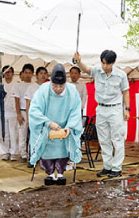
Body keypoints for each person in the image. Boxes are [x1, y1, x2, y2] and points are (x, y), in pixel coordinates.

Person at [73, 50, 130, 178]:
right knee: (103, 139)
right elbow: (86, 69)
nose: (105, 66)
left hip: (115, 109)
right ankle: (107, 166)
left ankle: (116, 168)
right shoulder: (97, 71)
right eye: (103, 63)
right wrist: (79, 61)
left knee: (117, 139)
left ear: (113, 63)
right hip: (101, 109)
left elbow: (126, 92)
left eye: (107, 64)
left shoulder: (121, 75)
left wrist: (127, 109)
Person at [29, 63, 82, 185]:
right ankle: (50, 173)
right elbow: (34, 110)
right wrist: (48, 123)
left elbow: (75, 111)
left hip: (64, 128)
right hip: (48, 128)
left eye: (61, 86)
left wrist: (70, 126)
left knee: (63, 150)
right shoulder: (43, 90)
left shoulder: (72, 91)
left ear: (65, 83)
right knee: (47, 151)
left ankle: (61, 173)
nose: (58, 89)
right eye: (55, 86)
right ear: (50, 82)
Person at [0, 65, 19, 161]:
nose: (7, 74)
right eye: (5, 72)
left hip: (13, 113)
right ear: (3, 74)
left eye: (9, 72)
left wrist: (19, 113)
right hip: (2, 113)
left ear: (12, 73)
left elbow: (18, 100)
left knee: (14, 134)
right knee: (3, 134)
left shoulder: (16, 85)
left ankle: (14, 153)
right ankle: (4, 152)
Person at [24, 66, 49, 168]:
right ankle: (33, 159)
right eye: (41, 73)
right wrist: (28, 118)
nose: (43, 75)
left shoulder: (49, 86)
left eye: (45, 73)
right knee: (34, 138)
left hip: (47, 116)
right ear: (36, 75)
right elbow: (28, 103)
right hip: (35, 116)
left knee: (47, 137)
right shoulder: (31, 87)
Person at [13, 63, 34, 162]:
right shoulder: (18, 86)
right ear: (22, 73)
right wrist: (18, 114)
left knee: (33, 134)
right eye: (26, 72)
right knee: (23, 133)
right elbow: (16, 101)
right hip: (23, 111)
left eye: (30, 73)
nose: (28, 75)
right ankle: (23, 154)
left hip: (33, 112)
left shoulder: (34, 86)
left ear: (33, 74)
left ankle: (32, 153)